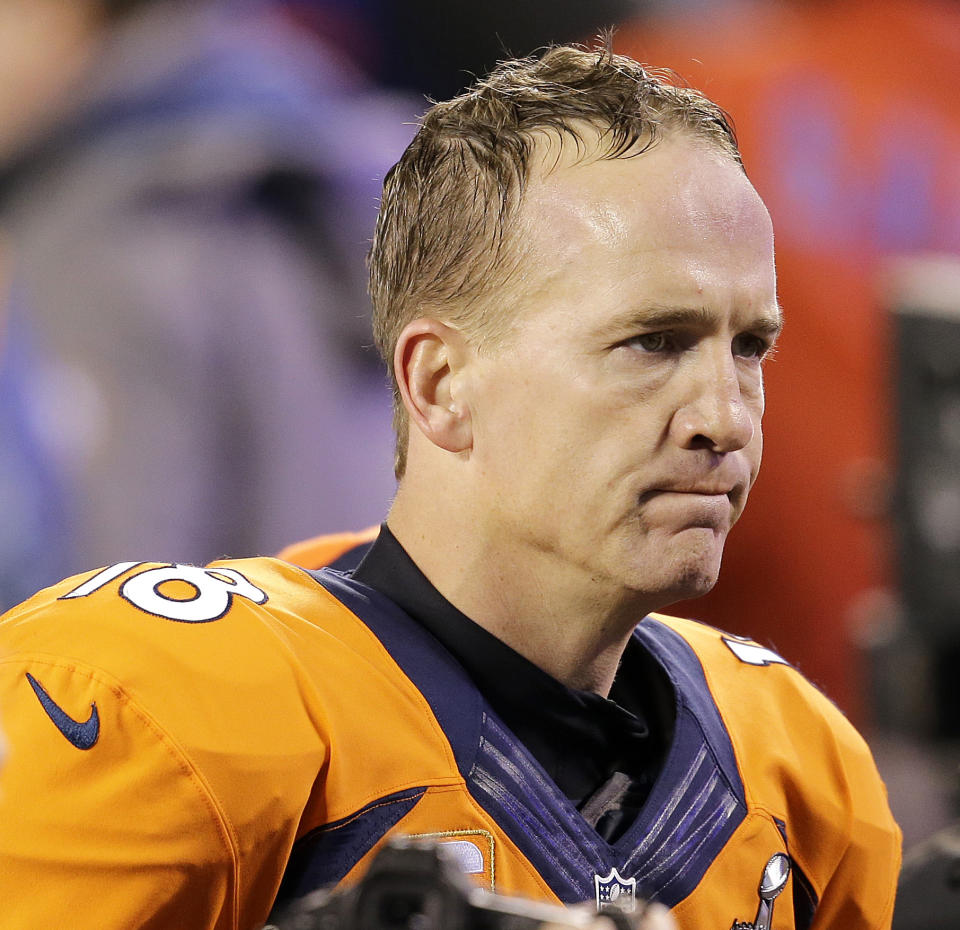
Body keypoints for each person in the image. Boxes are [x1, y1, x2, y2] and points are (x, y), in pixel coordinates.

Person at [0, 44, 900, 930]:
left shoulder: (795, 761)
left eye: (749, 348)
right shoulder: (157, 714)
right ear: (439, 384)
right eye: (653, 343)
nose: (727, 417)